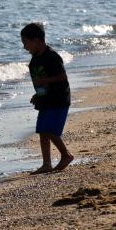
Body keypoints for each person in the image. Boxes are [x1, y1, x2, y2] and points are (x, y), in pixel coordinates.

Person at [21, 23, 74, 175]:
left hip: (58, 99)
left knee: (50, 130)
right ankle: (46, 164)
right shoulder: (34, 60)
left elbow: (62, 77)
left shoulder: (51, 56)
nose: (25, 47)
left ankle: (66, 155)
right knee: (42, 131)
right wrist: (37, 94)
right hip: (45, 99)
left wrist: (44, 82)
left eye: (26, 43)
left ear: (37, 40)